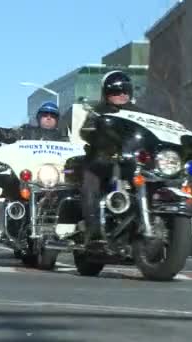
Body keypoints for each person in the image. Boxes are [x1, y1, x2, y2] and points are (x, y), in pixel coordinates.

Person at [78, 70, 144, 241]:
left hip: (133, 162)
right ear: (107, 94)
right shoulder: (99, 112)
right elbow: (86, 131)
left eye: (125, 90)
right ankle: (93, 229)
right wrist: (100, 138)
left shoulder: (141, 114)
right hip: (102, 161)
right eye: (116, 91)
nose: (122, 94)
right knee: (90, 182)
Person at [0, 101, 67, 143]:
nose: (48, 117)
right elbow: (6, 134)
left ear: (57, 119)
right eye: (45, 114)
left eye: (53, 115)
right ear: (38, 117)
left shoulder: (64, 138)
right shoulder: (27, 132)